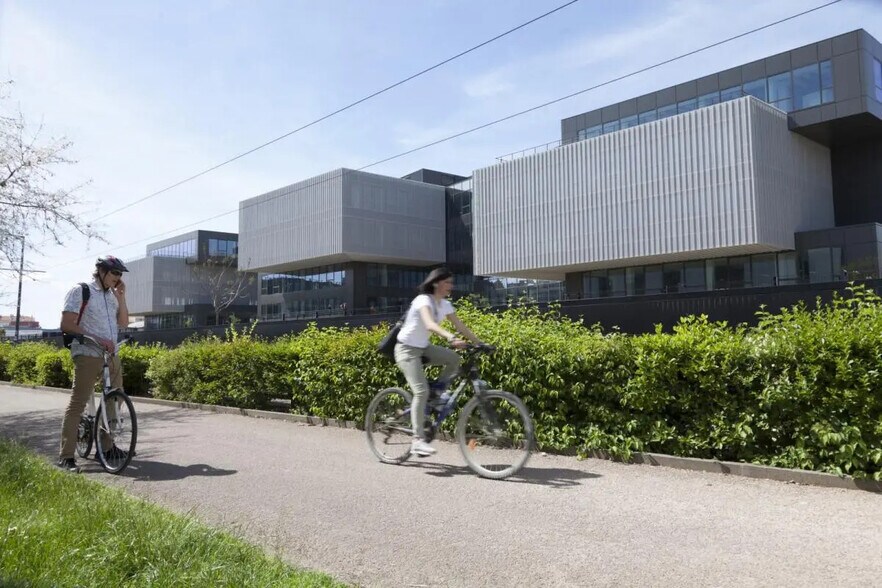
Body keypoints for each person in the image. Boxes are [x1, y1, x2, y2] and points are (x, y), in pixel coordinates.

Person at [394, 267, 483, 457]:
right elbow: (430, 324)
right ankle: (417, 441)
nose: (451, 286)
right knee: (420, 391)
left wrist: (480, 343)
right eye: (447, 282)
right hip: (406, 349)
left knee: (454, 359)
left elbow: (461, 326)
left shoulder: (445, 305)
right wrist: (451, 338)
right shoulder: (422, 300)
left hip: (423, 347)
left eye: (451, 282)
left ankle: (437, 393)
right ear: (436, 283)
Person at [56, 256, 130, 472]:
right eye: (115, 273)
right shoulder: (81, 290)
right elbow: (67, 324)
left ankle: (105, 448)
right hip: (88, 352)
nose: (118, 278)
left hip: (111, 354)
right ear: (101, 271)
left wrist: (122, 298)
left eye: (120, 275)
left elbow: (124, 323)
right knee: (78, 403)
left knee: (116, 398)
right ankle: (66, 456)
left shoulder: (112, 296)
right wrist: (97, 339)